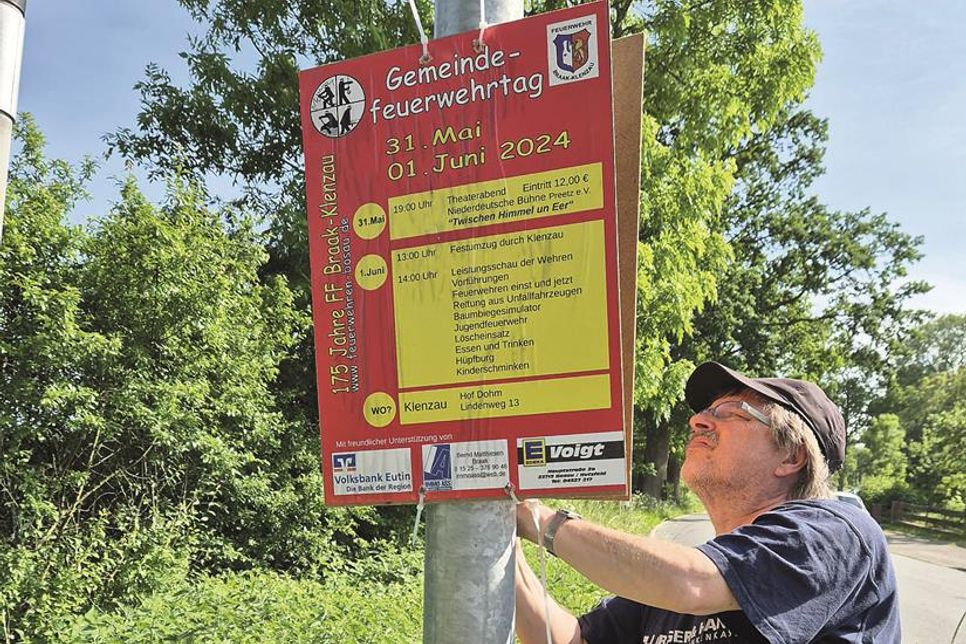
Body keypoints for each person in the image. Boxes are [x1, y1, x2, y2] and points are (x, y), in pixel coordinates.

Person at [515, 361, 900, 643]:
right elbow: (572, 640)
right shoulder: (674, 581)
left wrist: (538, 518)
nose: (697, 422)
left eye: (730, 413)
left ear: (791, 456)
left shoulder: (836, 532)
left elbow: (691, 583)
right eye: (704, 412)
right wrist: (500, 537)